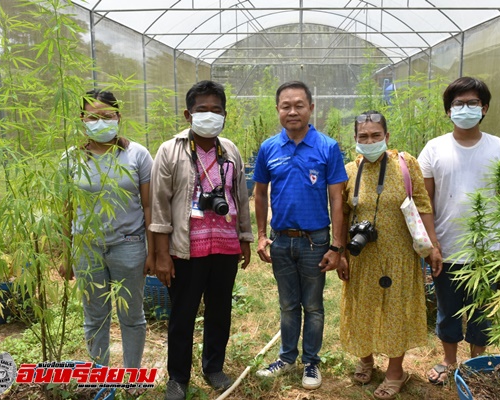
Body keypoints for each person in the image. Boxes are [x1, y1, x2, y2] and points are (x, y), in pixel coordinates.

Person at [149, 80, 253, 400]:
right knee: (182, 314)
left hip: (224, 246)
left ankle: (214, 367)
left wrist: (245, 239)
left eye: (216, 110)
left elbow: (240, 197)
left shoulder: (230, 150)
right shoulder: (170, 150)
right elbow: (159, 206)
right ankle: (178, 378)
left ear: (225, 115)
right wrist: (162, 255)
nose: (209, 115)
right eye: (202, 110)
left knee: (220, 311)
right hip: (186, 248)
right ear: (187, 114)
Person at [418, 77, 500, 385]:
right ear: (448, 111)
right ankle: (449, 361)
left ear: (484, 108)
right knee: (447, 310)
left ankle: (477, 362)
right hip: (446, 248)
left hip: (489, 252)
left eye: (472, 103)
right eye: (458, 104)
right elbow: (425, 203)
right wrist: (432, 244)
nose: (465, 108)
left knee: (483, 313)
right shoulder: (434, 149)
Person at [336, 111, 442, 399]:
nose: (369, 141)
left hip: (400, 254)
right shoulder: (348, 170)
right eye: (363, 137)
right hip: (361, 255)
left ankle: (396, 371)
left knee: (396, 309)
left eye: (375, 135)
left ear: (387, 136)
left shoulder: (405, 164)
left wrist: (433, 245)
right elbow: (342, 215)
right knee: (363, 305)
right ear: (355, 139)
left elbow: (422, 204)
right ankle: (365, 357)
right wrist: (342, 253)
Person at [253, 81, 348, 390]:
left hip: (315, 241)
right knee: (288, 304)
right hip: (281, 240)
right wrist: (260, 235)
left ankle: (311, 362)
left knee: (314, 305)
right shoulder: (269, 148)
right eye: (286, 106)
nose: (292, 111)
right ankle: (286, 357)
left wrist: (337, 245)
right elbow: (260, 193)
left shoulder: (327, 147)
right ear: (278, 110)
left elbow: (337, 199)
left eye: (299, 105)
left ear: (311, 108)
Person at [62, 89, 155, 371]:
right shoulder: (71, 158)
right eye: (92, 116)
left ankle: (131, 375)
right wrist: (67, 255)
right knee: (95, 316)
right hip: (87, 248)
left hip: (129, 245)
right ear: (82, 119)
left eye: (106, 116)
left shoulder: (137, 154)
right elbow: (66, 211)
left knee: (131, 315)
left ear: (118, 117)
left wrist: (151, 251)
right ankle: (101, 376)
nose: (99, 122)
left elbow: (149, 207)